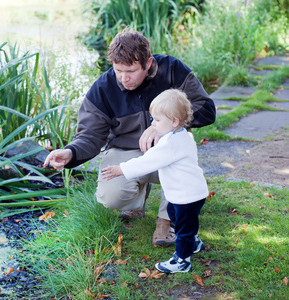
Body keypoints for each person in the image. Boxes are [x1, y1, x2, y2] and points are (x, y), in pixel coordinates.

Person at [43, 28, 215, 247]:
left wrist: (166, 125)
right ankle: (137, 201)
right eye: (118, 70)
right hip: (125, 152)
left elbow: (207, 109)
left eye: (131, 70)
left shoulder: (172, 70)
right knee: (110, 196)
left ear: (148, 63)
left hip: (168, 149)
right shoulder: (102, 89)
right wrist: (70, 152)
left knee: (181, 170)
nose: (124, 78)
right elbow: (90, 135)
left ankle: (167, 219)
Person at [101, 89, 208, 273]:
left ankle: (182, 260)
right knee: (175, 214)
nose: (152, 123)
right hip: (188, 193)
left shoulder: (171, 144)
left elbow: (147, 162)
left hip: (187, 196)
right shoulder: (179, 134)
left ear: (174, 121)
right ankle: (194, 241)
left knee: (183, 227)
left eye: (157, 120)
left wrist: (121, 169)